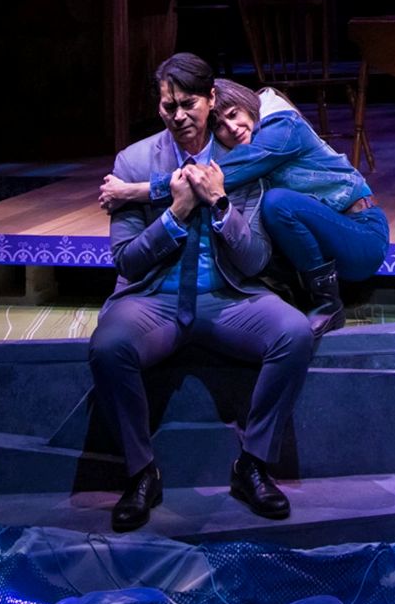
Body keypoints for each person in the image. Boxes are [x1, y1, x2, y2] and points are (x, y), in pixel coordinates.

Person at [88, 53, 313, 533]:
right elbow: (126, 260)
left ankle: (252, 464)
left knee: (294, 332)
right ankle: (141, 473)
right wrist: (174, 214)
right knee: (108, 346)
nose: (178, 116)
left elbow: (254, 260)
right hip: (154, 300)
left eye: (188, 103)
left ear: (211, 99)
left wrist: (221, 205)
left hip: (226, 297)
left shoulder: (242, 160)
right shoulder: (133, 161)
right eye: (168, 106)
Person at [101, 78, 389, 336]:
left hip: (361, 235)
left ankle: (328, 304)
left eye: (233, 114)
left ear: (248, 104)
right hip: (324, 242)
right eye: (220, 126)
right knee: (254, 226)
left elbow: (211, 179)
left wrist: (132, 191)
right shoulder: (249, 143)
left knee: (277, 204)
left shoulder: (282, 127)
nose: (232, 128)